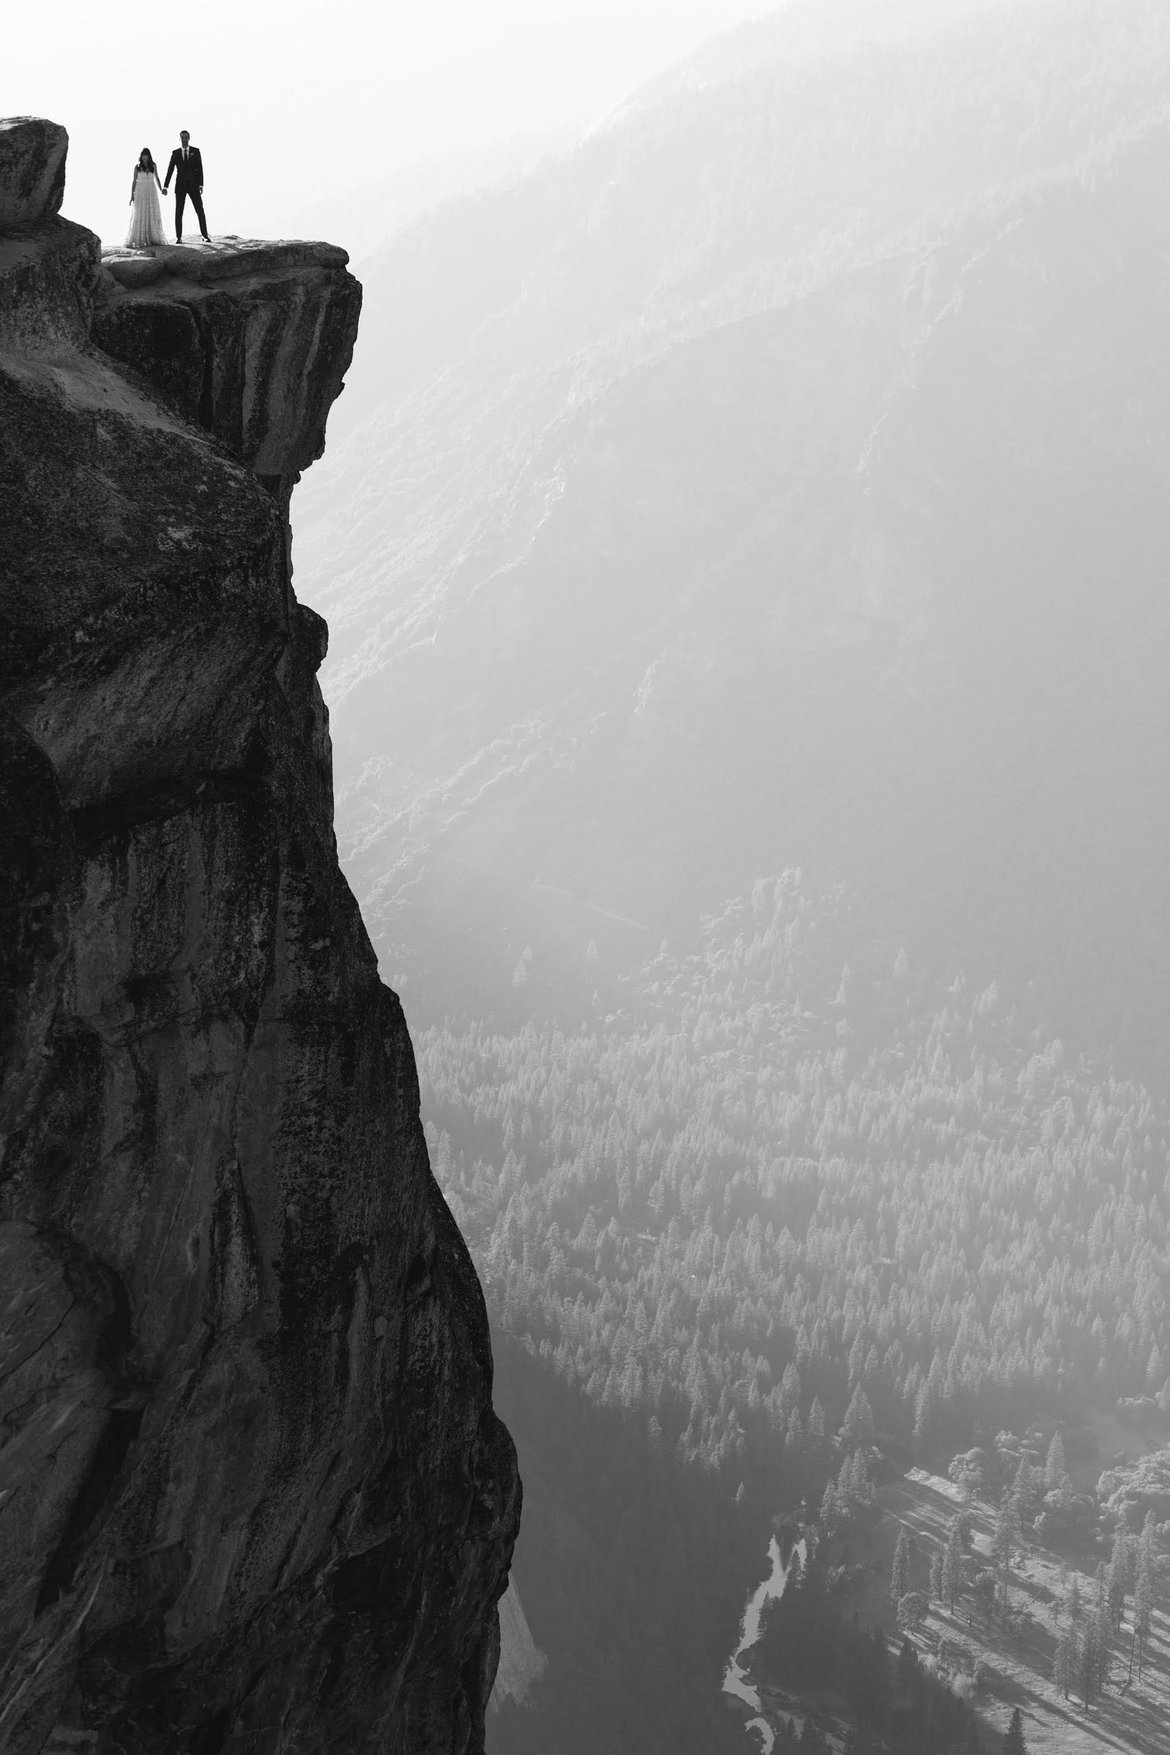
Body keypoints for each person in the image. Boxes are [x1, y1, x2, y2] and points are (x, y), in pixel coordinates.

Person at [163, 130, 209, 243]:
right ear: (180, 139)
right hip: (180, 186)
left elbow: (200, 168)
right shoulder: (176, 153)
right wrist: (165, 186)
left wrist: (200, 184)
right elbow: (170, 170)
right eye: (182, 137)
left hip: (193, 185)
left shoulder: (196, 151)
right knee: (179, 212)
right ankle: (179, 237)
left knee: (200, 210)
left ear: (189, 138)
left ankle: (204, 235)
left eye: (186, 137)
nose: (184, 139)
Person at [125, 147, 167, 248]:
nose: (145, 157)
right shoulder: (137, 166)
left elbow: (157, 177)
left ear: (149, 156)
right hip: (140, 191)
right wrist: (132, 195)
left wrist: (161, 189)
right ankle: (140, 238)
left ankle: (152, 237)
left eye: (146, 155)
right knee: (140, 212)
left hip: (151, 190)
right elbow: (134, 181)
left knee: (151, 211)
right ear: (141, 156)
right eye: (143, 155)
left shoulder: (153, 165)